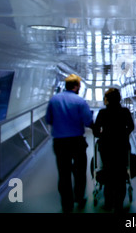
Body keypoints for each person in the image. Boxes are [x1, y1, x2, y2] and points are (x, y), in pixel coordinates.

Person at [45, 74, 93, 213]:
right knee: (79, 172)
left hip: (59, 143)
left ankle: (67, 204)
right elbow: (88, 121)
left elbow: (49, 119)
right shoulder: (80, 101)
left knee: (64, 173)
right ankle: (79, 197)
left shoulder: (54, 100)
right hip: (77, 142)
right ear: (77, 86)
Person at [92, 88, 134, 212]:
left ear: (107, 100)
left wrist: (103, 136)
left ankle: (109, 202)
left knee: (108, 171)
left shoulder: (102, 113)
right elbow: (131, 126)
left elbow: (96, 131)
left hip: (106, 147)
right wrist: (123, 135)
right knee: (120, 173)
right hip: (121, 146)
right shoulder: (125, 111)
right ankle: (119, 203)